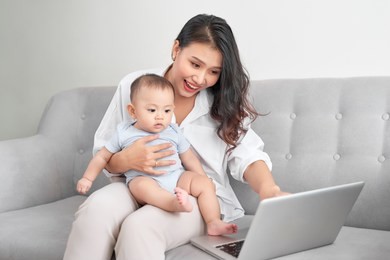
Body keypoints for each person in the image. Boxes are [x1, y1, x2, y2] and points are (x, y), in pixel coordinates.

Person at [64, 14, 287, 260]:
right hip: (135, 185)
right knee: (95, 211)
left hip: (195, 199)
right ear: (176, 48)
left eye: (213, 71)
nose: (200, 79)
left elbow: (248, 156)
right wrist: (128, 160)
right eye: (195, 64)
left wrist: (269, 190)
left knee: (140, 228)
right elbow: (105, 154)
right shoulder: (134, 86)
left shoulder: (223, 102)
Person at [76, 73, 237, 236]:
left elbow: (188, 158)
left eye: (167, 110)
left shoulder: (173, 131)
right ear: (133, 111)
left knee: (205, 184)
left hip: (176, 177)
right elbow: (103, 157)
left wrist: (201, 177)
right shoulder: (124, 132)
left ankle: (213, 221)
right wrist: (87, 178)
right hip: (144, 179)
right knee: (141, 187)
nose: (160, 116)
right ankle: (173, 203)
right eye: (152, 110)